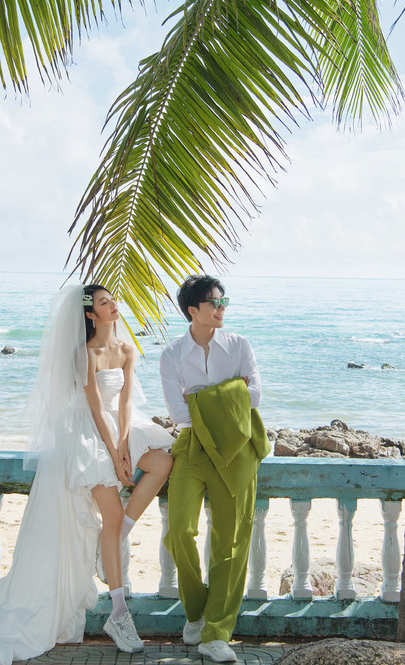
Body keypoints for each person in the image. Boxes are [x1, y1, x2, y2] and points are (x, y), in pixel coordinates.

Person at [0, 284, 174, 665]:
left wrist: (124, 447)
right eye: (104, 303)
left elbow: (124, 403)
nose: (113, 305)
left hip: (116, 427)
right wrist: (112, 453)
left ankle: (118, 537)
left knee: (162, 463)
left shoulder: (125, 349)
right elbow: (93, 407)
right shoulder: (83, 353)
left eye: (111, 300)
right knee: (112, 513)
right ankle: (119, 614)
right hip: (85, 432)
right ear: (90, 315)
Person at [159, 275, 268, 663]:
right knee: (179, 530)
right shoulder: (172, 354)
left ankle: (217, 633)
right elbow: (178, 413)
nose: (222, 308)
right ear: (193, 310)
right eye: (214, 303)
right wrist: (231, 391)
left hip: (237, 449)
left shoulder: (239, 345)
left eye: (224, 301)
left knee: (231, 541)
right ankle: (198, 610)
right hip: (192, 447)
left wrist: (203, 399)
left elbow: (255, 395)